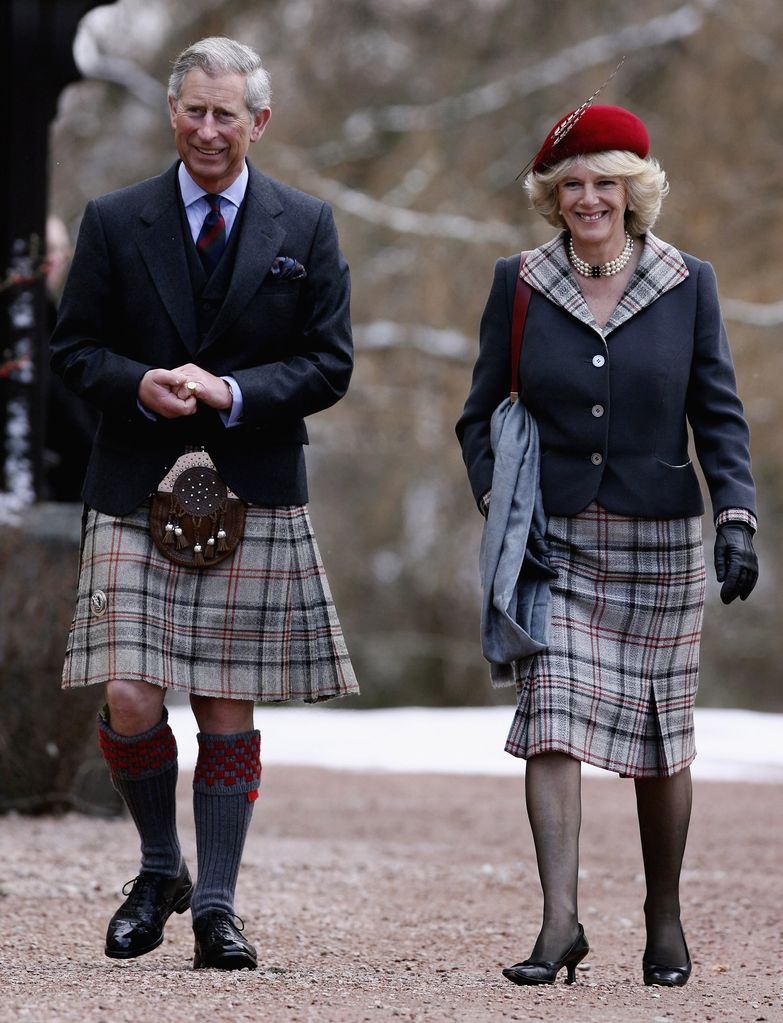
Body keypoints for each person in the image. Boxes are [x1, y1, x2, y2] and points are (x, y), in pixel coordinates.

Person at [51, 36, 358, 971]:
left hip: (253, 486)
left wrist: (230, 392)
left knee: (227, 702)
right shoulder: (114, 219)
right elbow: (74, 351)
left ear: (258, 121)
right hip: (134, 485)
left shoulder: (305, 225)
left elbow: (329, 364)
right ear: (172, 113)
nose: (209, 130)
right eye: (194, 110)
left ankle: (217, 908)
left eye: (228, 114)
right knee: (132, 692)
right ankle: (159, 868)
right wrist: (136, 380)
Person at [456, 104, 758, 988]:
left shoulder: (687, 280)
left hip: (660, 537)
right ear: (553, 198)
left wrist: (735, 515)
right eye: (571, 185)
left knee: (664, 741)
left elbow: (719, 413)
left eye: (603, 182)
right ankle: (558, 924)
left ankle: (663, 919)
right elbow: (478, 416)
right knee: (548, 716)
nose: (587, 198)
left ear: (633, 190)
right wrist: (500, 507)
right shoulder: (517, 283)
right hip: (555, 539)